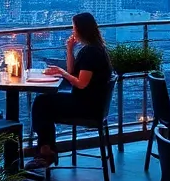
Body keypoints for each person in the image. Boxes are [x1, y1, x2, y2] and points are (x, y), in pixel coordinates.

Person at [25, 12, 113, 170]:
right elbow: (73, 71)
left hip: (87, 106)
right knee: (43, 101)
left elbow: (80, 83)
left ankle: (46, 151)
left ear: (81, 30)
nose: (73, 32)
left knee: (41, 102)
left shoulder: (90, 53)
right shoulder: (94, 49)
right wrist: (69, 49)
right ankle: (46, 149)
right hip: (93, 104)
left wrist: (61, 72)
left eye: (74, 28)